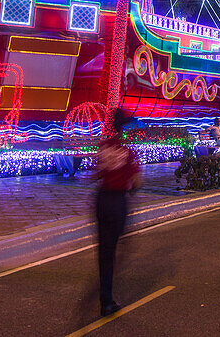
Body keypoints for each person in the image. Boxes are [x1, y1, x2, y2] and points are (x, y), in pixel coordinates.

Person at [94, 109, 141, 316]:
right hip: (117, 201)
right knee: (114, 246)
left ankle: (106, 297)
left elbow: (98, 173)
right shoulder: (127, 152)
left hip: (101, 200)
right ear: (124, 128)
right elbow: (138, 182)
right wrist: (131, 187)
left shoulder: (103, 147)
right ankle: (107, 301)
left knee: (104, 250)